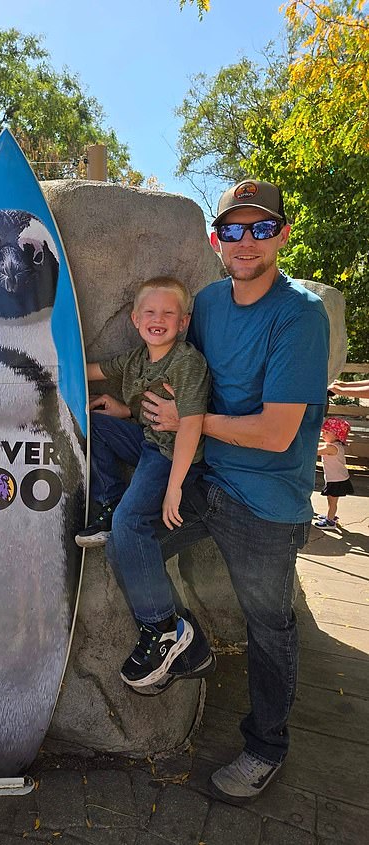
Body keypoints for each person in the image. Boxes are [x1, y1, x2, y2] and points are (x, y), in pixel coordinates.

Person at [130, 179, 329, 804]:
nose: (246, 241)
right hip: (199, 477)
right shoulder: (208, 304)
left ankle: (266, 745)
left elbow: (275, 433)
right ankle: (175, 636)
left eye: (261, 228)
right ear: (218, 240)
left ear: (281, 236)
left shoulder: (300, 316)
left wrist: (191, 423)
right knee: (127, 534)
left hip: (264, 501)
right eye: (234, 229)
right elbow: (169, 372)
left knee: (268, 625)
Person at [75, 277, 210, 686]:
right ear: (135, 319)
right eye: (150, 312)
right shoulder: (136, 360)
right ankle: (108, 502)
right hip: (146, 441)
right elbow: (91, 370)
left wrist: (174, 487)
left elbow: (190, 426)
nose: (158, 319)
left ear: (184, 321)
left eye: (169, 313)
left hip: (173, 457)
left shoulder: (187, 362)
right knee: (95, 422)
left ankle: (162, 628)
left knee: (131, 526)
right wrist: (37, 363)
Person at [315, 417, 354, 528]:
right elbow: (321, 447)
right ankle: (330, 515)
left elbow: (316, 451)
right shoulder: (333, 445)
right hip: (336, 478)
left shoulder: (332, 448)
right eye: (323, 431)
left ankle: (330, 521)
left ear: (337, 435)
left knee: (332, 501)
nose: (323, 434)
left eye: (327, 432)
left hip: (337, 480)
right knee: (331, 499)